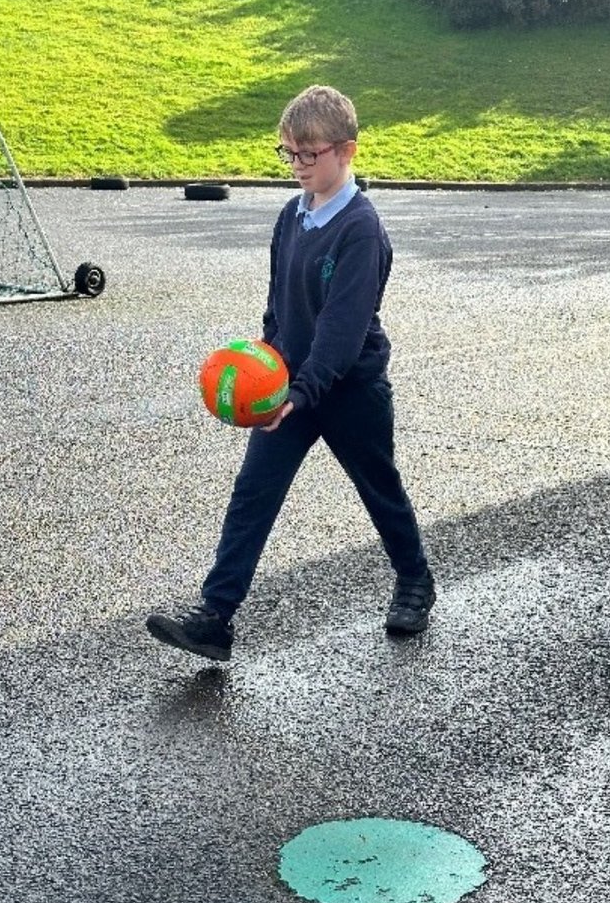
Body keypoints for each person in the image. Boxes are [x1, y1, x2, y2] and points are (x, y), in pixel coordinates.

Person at [146, 84, 435, 662]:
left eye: (310, 153)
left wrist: (301, 394)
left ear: (346, 150)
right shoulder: (290, 215)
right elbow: (279, 303)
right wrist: (265, 361)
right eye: (289, 153)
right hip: (287, 389)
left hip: (349, 389)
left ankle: (415, 583)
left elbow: (342, 329)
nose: (298, 165)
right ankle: (215, 617)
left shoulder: (361, 228)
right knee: (254, 492)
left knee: (378, 488)